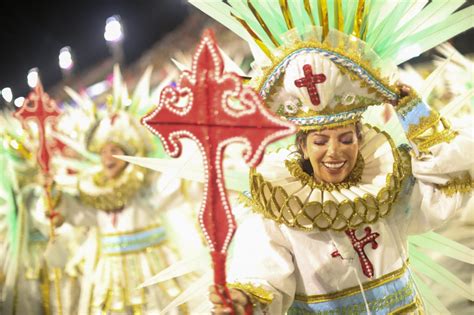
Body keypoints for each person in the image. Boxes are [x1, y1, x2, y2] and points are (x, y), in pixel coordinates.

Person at [191, 1, 474, 314]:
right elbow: (261, 274)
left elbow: (448, 182)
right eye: (320, 141)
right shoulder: (279, 207)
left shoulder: (386, 183)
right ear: (303, 146)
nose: (335, 152)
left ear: (359, 138)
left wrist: (413, 111)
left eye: (346, 138)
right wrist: (245, 300)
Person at [42, 67, 200, 315]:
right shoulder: (96, 189)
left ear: (129, 154)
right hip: (112, 271)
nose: (108, 157)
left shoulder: (147, 183)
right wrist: (58, 202)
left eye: (116, 150)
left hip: (153, 265)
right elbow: (86, 215)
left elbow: (176, 186)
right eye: (104, 151)